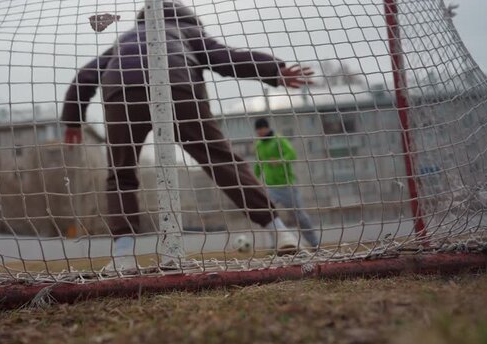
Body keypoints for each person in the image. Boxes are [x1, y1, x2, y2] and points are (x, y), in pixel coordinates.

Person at [62, 1, 313, 271]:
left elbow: (85, 76)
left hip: (122, 90)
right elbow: (226, 58)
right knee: (220, 160)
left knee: (120, 174)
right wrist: (273, 70)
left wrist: (73, 121)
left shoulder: (126, 39)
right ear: (188, 16)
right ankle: (280, 231)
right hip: (178, 85)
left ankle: (123, 255)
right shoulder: (188, 32)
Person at [253, 118, 320, 247]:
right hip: (271, 187)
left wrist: (279, 160)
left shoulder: (279, 140)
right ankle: (277, 244)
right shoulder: (259, 145)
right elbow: (258, 163)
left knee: (300, 217)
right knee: (267, 214)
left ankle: (315, 244)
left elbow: (292, 154)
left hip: (287, 186)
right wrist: (254, 178)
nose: (258, 132)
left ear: (266, 128)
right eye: (257, 130)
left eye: (260, 129)